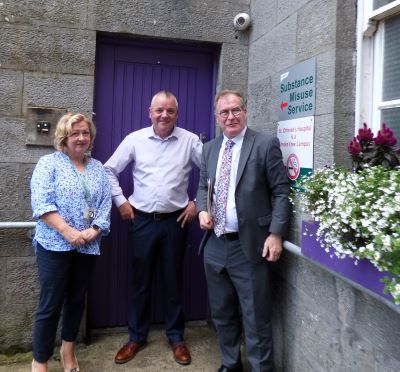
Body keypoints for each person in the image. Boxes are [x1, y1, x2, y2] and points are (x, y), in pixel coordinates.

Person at [104, 90, 202, 366]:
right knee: (141, 282)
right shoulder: (134, 140)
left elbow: (212, 172)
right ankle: (136, 337)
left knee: (173, 281)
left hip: (176, 222)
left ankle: (176, 338)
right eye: (159, 110)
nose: (164, 115)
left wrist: (197, 203)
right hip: (142, 221)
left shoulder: (190, 141)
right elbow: (109, 170)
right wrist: (121, 202)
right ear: (150, 113)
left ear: (177, 114)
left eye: (170, 110)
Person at [196, 90, 291, 372]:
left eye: (235, 110)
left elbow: (281, 192)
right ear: (216, 117)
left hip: (249, 246)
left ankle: (261, 368)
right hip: (214, 245)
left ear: (245, 112)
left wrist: (275, 233)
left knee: (255, 317)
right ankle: (230, 363)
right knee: (222, 313)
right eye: (224, 113)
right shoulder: (210, 148)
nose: (230, 116)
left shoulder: (264, 144)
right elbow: (203, 187)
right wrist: (202, 209)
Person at [30, 113, 111, 372]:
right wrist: (68, 232)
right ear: (64, 137)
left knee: (76, 300)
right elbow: (42, 203)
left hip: (87, 246)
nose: (81, 138)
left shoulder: (98, 167)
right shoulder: (48, 164)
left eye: (85, 133)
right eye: (75, 133)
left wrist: (95, 229)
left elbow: (105, 204)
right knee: (50, 303)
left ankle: (68, 350)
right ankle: (39, 360)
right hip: (54, 244)